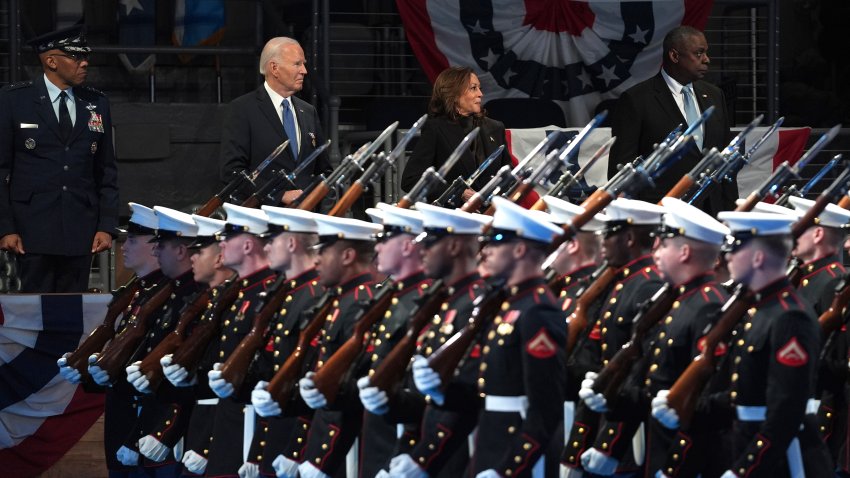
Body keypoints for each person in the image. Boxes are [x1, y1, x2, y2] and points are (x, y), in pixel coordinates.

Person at [653, 211, 832, 477]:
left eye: (735, 249)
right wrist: (690, 411)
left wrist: (745, 470)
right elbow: (743, 393)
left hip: (783, 462)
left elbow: (785, 412)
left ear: (758, 258)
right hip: (746, 445)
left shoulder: (789, 316)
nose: (727, 257)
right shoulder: (760, 309)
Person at [578, 197, 730, 476]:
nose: (655, 250)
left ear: (684, 252)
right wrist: (612, 399)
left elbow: (703, 399)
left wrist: (675, 467)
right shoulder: (679, 299)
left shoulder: (707, 305)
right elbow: (648, 381)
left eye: (664, 244)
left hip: (684, 457)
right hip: (655, 448)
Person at [0, 24, 118, 292]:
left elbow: (106, 170)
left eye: (85, 56)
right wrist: (5, 228)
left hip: (80, 229)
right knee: (33, 314)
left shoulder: (96, 103)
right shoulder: (14, 100)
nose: (84, 63)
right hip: (30, 231)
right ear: (51, 61)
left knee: (72, 313)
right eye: (76, 57)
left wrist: (106, 225)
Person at [382, 202, 490, 478]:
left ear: (454, 247)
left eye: (430, 244)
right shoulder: (446, 299)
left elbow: (465, 395)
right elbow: (425, 398)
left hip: (454, 452)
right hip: (432, 448)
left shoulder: (476, 303)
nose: (423, 251)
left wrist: (425, 457)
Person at [562, 198, 664, 475]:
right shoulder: (625, 282)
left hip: (626, 429)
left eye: (608, 233)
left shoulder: (647, 286)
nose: (602, 240)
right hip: (602, 414)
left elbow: (637, 369)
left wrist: (611, 443)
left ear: (629, 237)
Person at [467, 196, 566, 477]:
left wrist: (509, 469)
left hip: (519, 454)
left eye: (497, 240)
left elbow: (544, 410)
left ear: (520, 249)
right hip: (493, 441)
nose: (487, 250)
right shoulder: (512, 303)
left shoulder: (538, 310)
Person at [607, 25, 734, 214]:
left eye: (706, 53)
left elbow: (726, 162)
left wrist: (730, 212)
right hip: (660, 212)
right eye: (699, 53)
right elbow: (622, 170)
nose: (707, 59)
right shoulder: (636, 99)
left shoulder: (715, 96)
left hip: (711, 212)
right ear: (674, 56)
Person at [296, 214, 381, 478]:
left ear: (347, 256)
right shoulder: (341, 300)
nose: (316, 258)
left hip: (342, 453)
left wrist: (323, 457)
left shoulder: (359, 303)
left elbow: (350, 388)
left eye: (323, 250)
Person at [244, 206, 324, 478]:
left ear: (291, 243)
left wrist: (296, 450)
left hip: (299, 443)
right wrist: (257, 451)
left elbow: (314, 379)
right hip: (276, 436)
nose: (265, 248)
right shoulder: (289, 294)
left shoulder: (314, 296)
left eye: (271, 241)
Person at [219, 37, 332, 206]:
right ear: (274, 68)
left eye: (304, 63)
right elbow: (232, 172)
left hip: (306, 220)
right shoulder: (243, 109)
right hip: (262, 219)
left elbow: (323, 171)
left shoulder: (308, 111)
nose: (304, 70)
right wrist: (279, 195)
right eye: (297, 64)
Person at [400, 66, 512, 202]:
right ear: (454, 94)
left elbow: (508, 173)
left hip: (490, 214)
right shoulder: (436, 128)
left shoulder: (495, 127)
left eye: (479, 88)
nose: (480, 94)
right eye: (473, 88)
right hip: (452, 215)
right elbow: (411, 179)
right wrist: (458, 193)